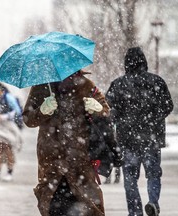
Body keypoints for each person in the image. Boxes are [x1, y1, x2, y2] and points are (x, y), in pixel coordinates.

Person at [22, 70, 110, 216]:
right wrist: (42, 110)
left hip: (80, 160)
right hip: (51, 161)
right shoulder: (42, 86)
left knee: (88, 207)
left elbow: (106, 113)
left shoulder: (86, 85)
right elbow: (28, 119)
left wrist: (98, 109)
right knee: (53, 206)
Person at [106, 47, 174, 216]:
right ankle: (153, 202)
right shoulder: (157, 82)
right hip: (151, 138)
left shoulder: (118, 84)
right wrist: (153, 119)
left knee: (130, 177)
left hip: (128, 139)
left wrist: (122, 120)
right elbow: (168, 106)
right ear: (144, 61)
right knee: (153, 174)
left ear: (126, 63)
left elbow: (109, 110)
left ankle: (135, 211)